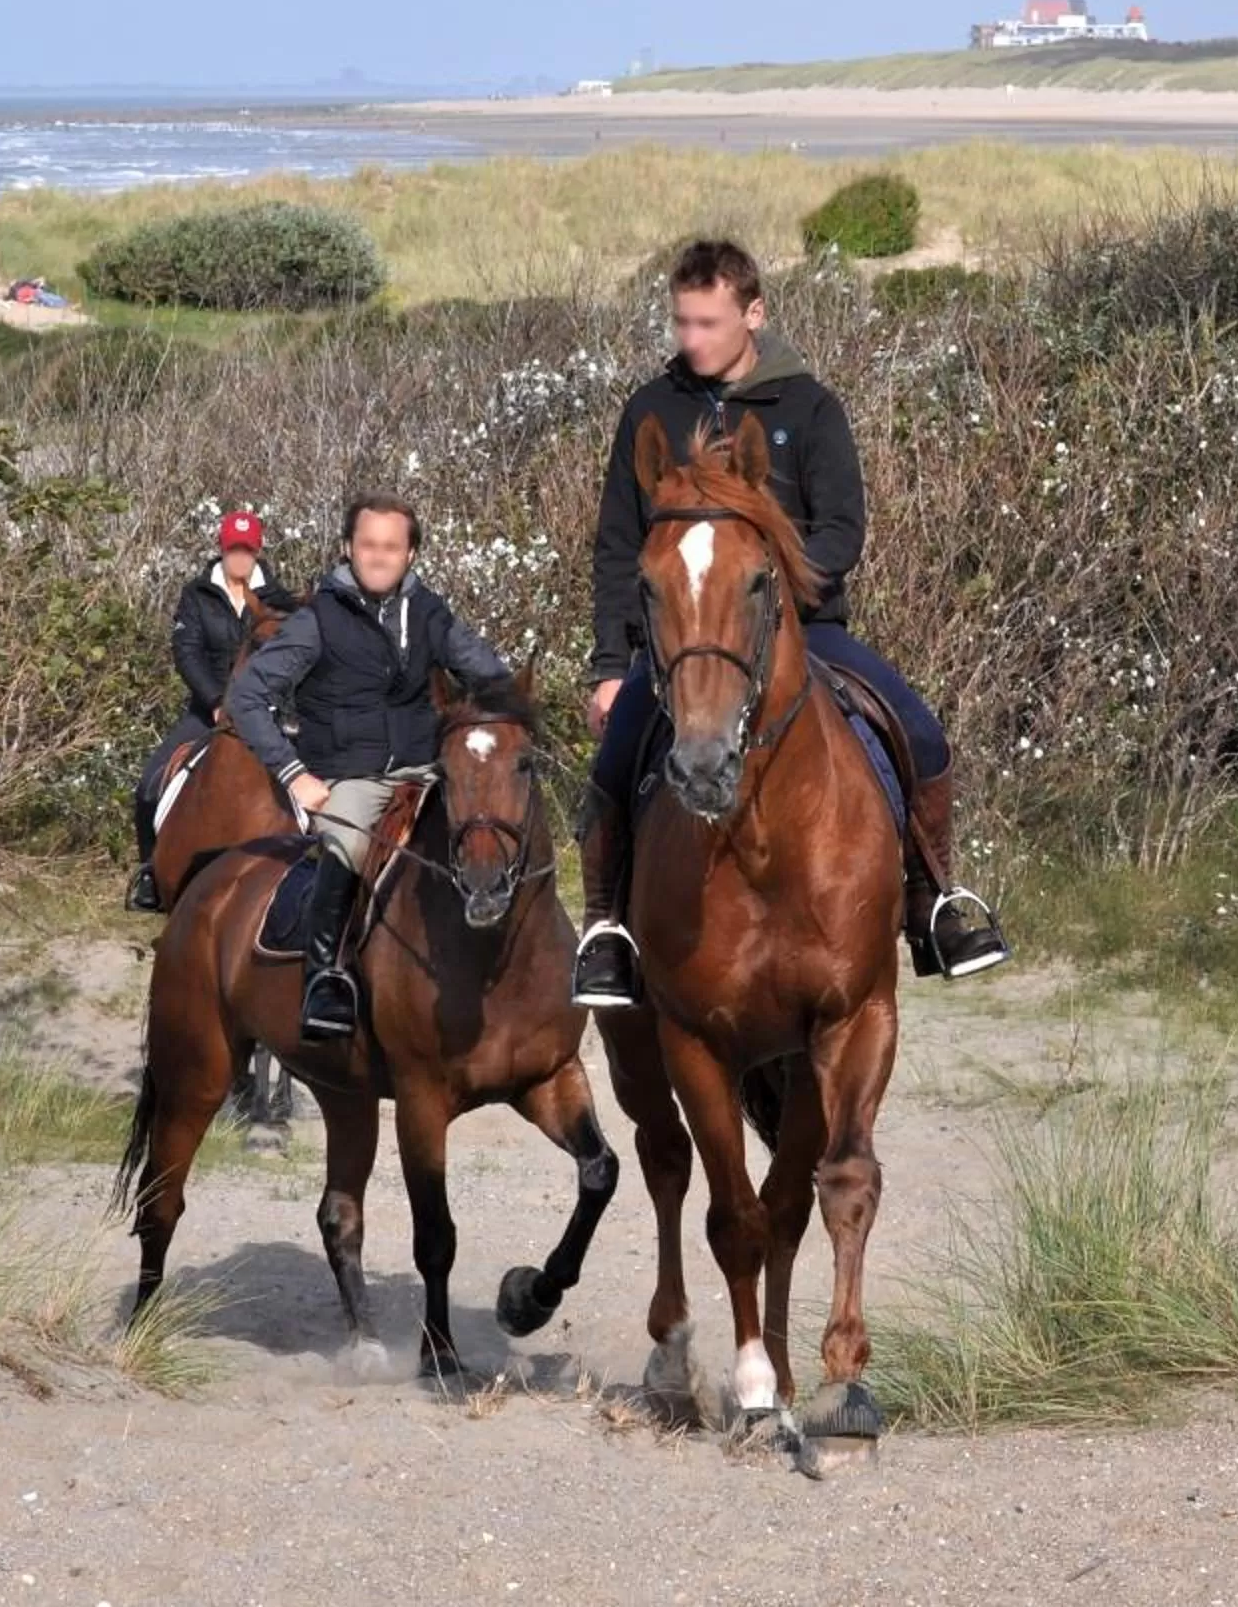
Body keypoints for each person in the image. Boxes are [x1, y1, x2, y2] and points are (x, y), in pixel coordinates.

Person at [570, 238, 1008, 1008]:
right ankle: (607, 931)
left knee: (921, 733)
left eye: (708, 322)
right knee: (611, 767)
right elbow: (616, 547)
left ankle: (931, 900)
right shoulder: (650, 411)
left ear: (754, 313)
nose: (691, 339)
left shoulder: (809, 407)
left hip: (803, 627)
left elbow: (843, 528)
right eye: (681, 322)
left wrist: (772, 590)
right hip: (680, 644)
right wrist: (612, 665)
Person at [227, 492, 512, 1041]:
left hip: (424, 770)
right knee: (349, 845)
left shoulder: (431, 613)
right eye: (368, 545)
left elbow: (491, 676)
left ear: (410, 555)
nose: (379, 556)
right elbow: (248, 696)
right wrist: (295, 775)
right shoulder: (317, 620)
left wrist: (500, 721)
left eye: (391, 546)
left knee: (489, 828)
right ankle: (326, 977)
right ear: (348, 548)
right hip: (349, 776)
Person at [126, 508, 283, 913]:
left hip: (265, 715)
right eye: (234, 549)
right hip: (207, 712)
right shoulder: (197, 595)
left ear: (257, 551)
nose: (240, 558)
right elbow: (187, 651)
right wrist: (215, 701)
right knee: (147, 787)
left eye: (247, 550)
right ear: (222, 548)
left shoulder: (276, 597)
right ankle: (149, 873)